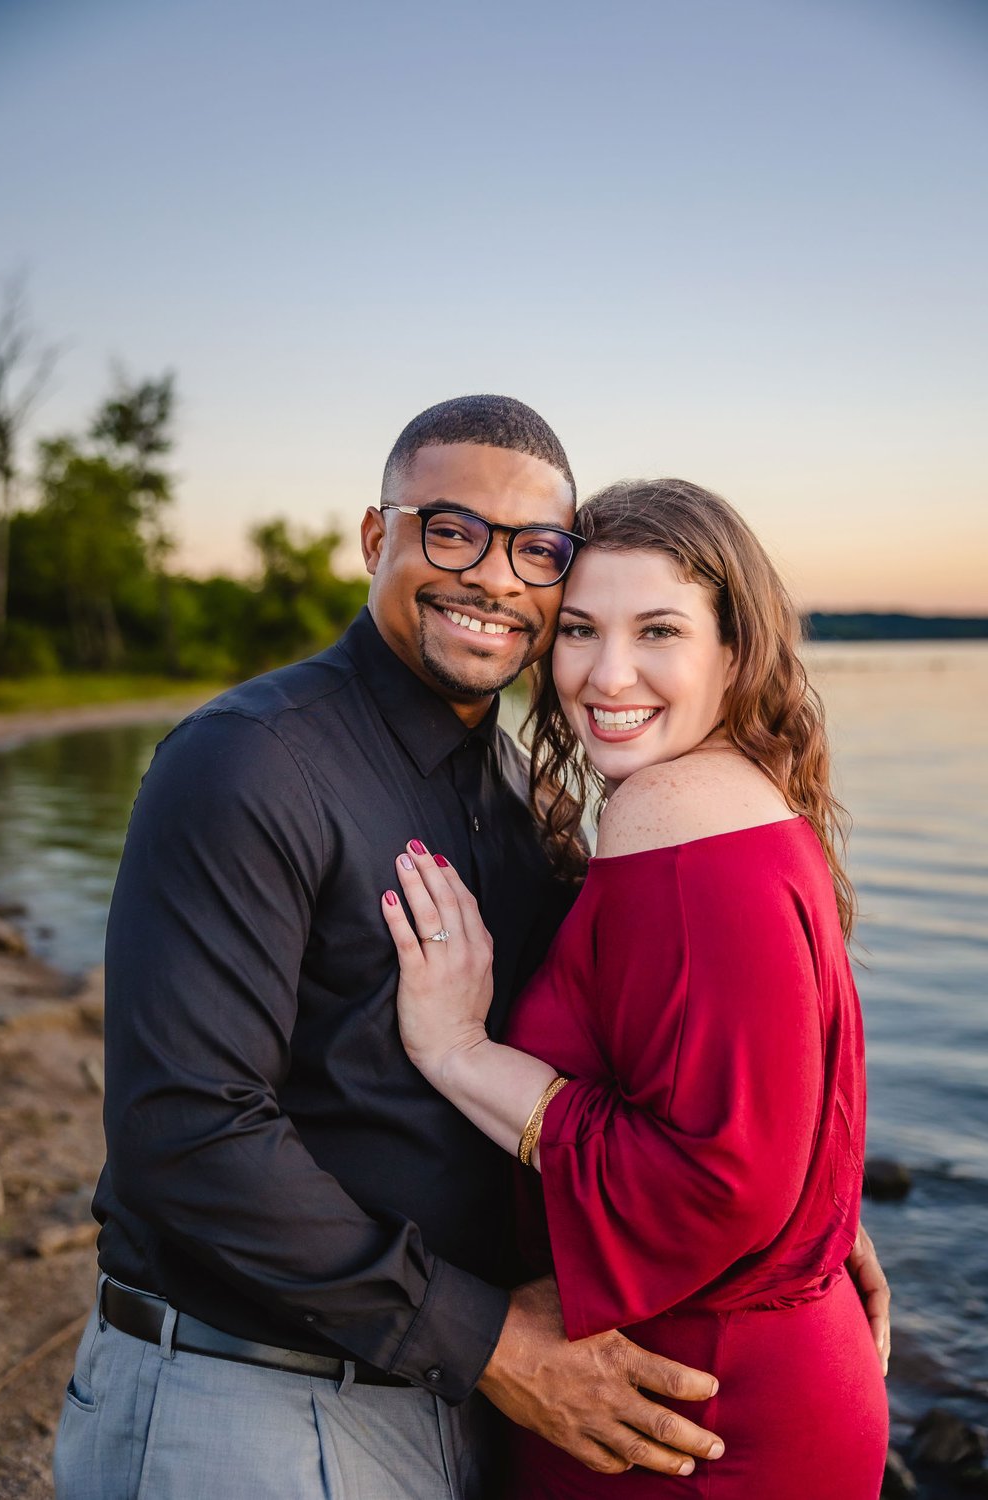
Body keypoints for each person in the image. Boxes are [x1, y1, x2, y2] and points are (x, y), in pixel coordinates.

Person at [54, 400, 738, 1500]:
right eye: (452, 529)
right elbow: (184, 1130)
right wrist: (495, 1345)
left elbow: (616, 1057)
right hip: (241, 1405)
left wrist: (806, 1214)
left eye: (537, 551)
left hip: (444, 1404)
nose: (497, 579)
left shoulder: (519, 793)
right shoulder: (247, 765)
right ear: (378, 540)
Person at [381, 477, 890, 1497]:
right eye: (577, 631)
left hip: (689, 1411)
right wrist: (828, 1217)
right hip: (732, 1370)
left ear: (733, 649)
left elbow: (716, 1178)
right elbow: (764, 1094)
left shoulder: (670, 804)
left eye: (657, 630)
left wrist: (458, 1054)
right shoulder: (742, 794)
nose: (606, 676)